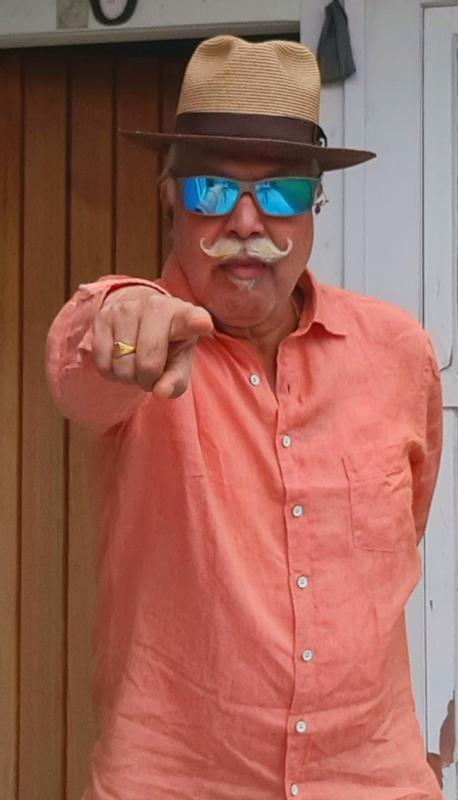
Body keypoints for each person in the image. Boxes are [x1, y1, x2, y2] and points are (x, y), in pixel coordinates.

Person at [46, 35, 444, 800]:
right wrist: (123, 325)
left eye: (283, 192)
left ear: (316, 205)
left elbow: (409, 528)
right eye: (212, 190)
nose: (247, 221)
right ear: (170, 196)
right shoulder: (137, 338)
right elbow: (81, 365)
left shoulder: (399, 351)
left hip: (372, 781)